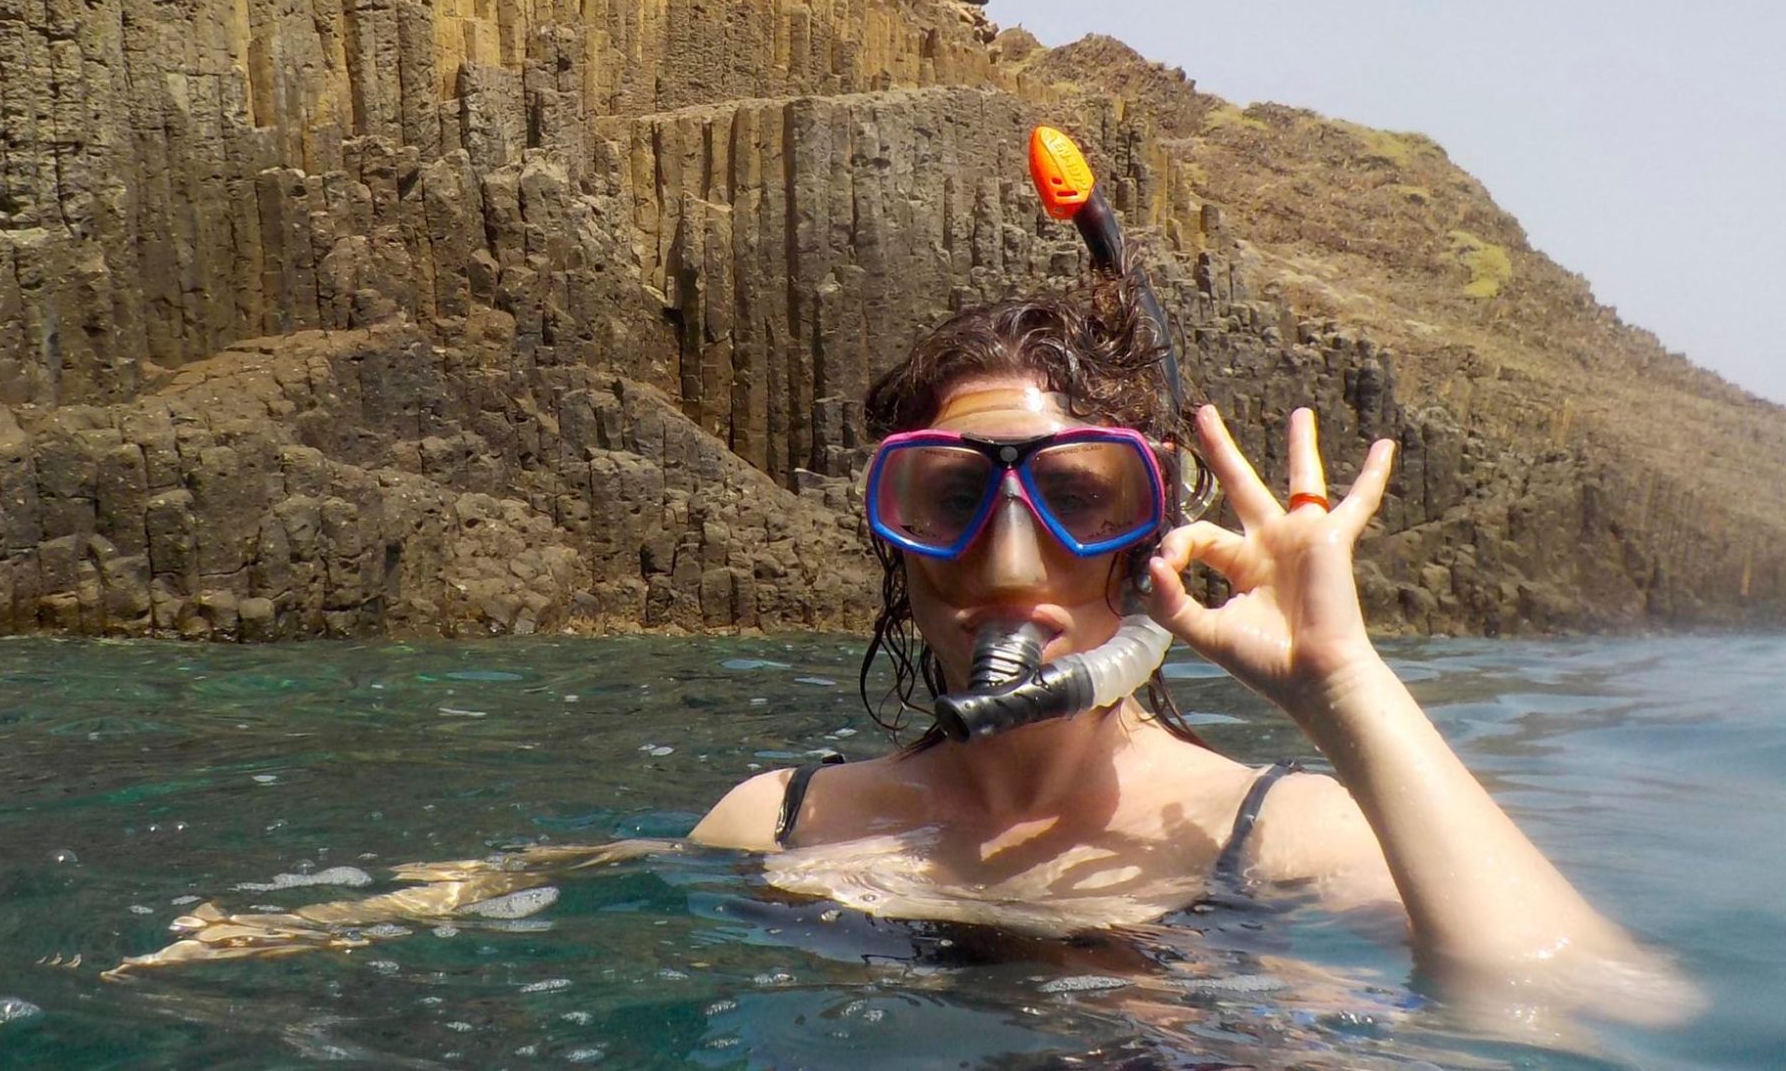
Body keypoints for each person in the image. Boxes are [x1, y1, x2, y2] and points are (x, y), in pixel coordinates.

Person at [690, 286, 1691, 1021]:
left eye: (1077, 498)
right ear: (894, 538)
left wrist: (1343, 682)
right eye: (951, 498)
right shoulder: (775, 824)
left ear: (1152, 537)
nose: (1006, 560)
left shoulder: (1276, 834)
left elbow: (1596, 1004)